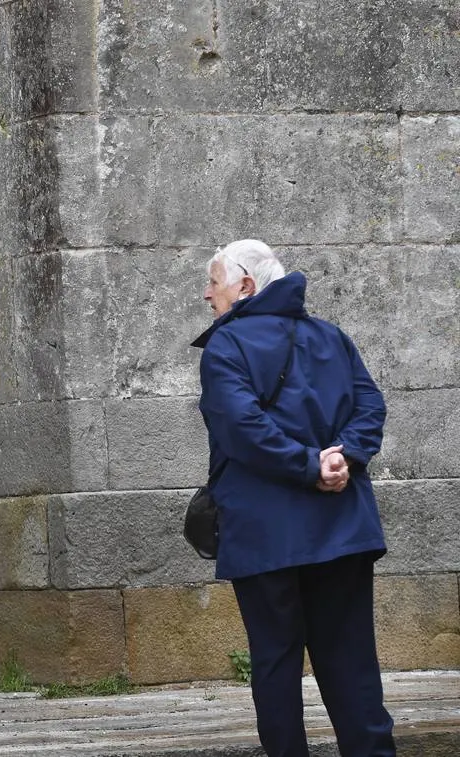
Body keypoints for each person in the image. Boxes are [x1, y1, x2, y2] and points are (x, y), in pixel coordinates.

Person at [192, 239, 396, 757]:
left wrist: (312, 466)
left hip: (265, 536)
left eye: (213, 281)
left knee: (277, 665)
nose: (206, 294)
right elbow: (370, 404)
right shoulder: (332, 337)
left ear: (245, 286)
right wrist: (342, 459)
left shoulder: (227, 346)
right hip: (341, 527)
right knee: (351, 662)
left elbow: (243, 429)